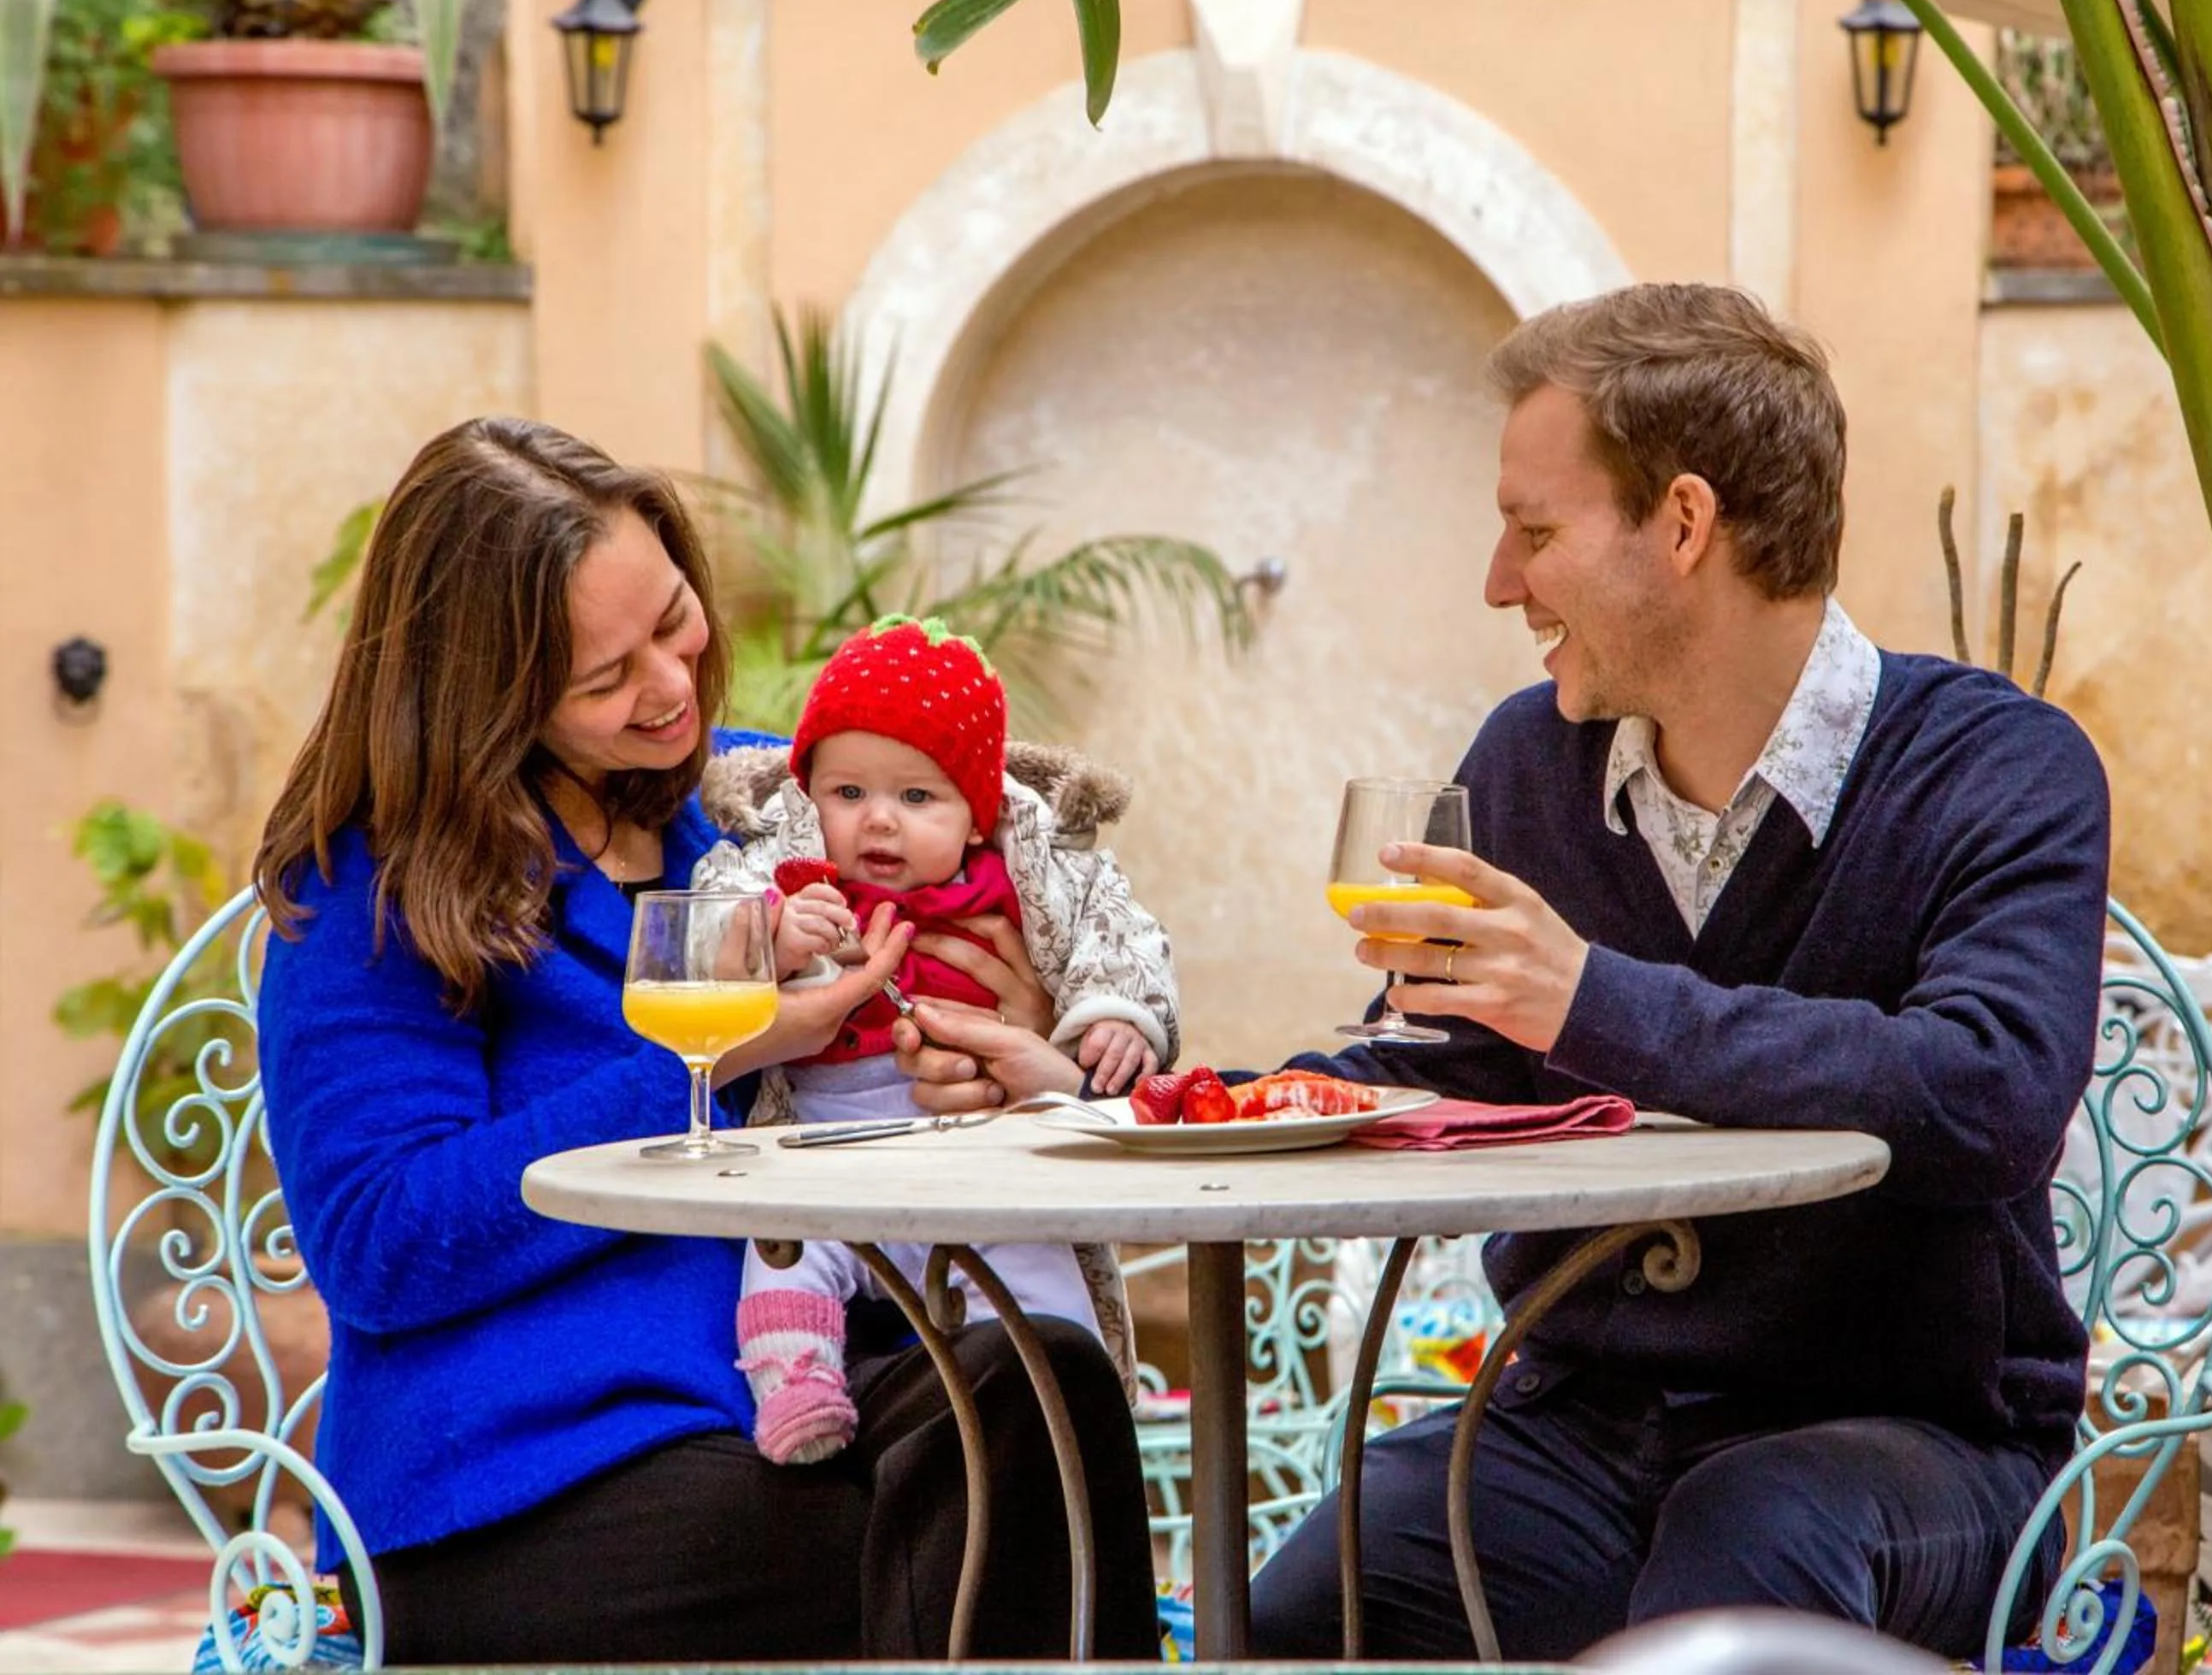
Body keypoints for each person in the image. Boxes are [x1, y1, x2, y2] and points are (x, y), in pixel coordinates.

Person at [899, 284, 2109, 1661]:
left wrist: (1589, 1000)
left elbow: (1991, 1091)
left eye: (1535, 533)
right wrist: (1122, 1099)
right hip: (1583, 1427)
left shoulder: (1997, 767)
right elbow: (1433, 1069)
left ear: (1685, 524)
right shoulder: (1531, 759)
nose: (1497, 580)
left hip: (1914, 1440)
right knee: (1293, 1620)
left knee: (1744, 1556)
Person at [251, 416, 1162, 1664]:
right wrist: (714, 1056)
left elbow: (1043, 928)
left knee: (1042, 1391)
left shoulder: (767, 802)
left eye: (674, 619)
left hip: (808, 1384)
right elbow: (378, 1244)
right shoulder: (374, 885)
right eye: (604, 678)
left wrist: (1024, 1047)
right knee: (907, 1545)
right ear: (484, 696)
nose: (673, 687)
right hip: (521, 1479)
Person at [687, 612, 1179, 1466]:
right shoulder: (783, 868)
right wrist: (770, 936)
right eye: (848, 793)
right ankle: (798, 1388)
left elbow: (1120, 930)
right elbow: (701, 929)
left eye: (917, 797)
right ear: (809, 793)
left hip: (981, 1151)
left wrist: (1112, 1014)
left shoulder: (1030, 870)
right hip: (823, 1143)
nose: (878, 821)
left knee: (1045, 1302)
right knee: (785, 1250)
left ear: (977, 814)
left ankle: (1066, 1435)